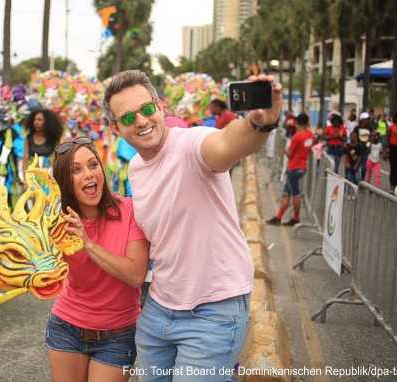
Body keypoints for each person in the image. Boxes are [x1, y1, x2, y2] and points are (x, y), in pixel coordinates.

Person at [103, 70, 281, 381]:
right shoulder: (135, 168)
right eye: (128, 118)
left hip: (212, 313)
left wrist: (258, 122)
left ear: (160, 106)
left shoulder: (191, 144)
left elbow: (225, 145)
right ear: (115, 128)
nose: (142, 122)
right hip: (158, 311)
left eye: (146, 110)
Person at [0, 137, 150, 382]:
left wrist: (87, 243)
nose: (89, 174)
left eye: (93, 165)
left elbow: (135, 275)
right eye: (76, 170)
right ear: (64, 181)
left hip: (118, 334)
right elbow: (19, 265)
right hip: (67, 329)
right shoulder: (51, 223)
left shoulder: (130, 210)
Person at [266, 113, 314, 226]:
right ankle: (278, 217)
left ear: (297, 123)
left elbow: (289, 153)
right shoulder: (310, 135)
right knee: (286, 193)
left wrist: (285, 150)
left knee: (295, 193)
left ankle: (296, 218)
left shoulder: (297, 136)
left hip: (294, 167)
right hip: (301, 167)